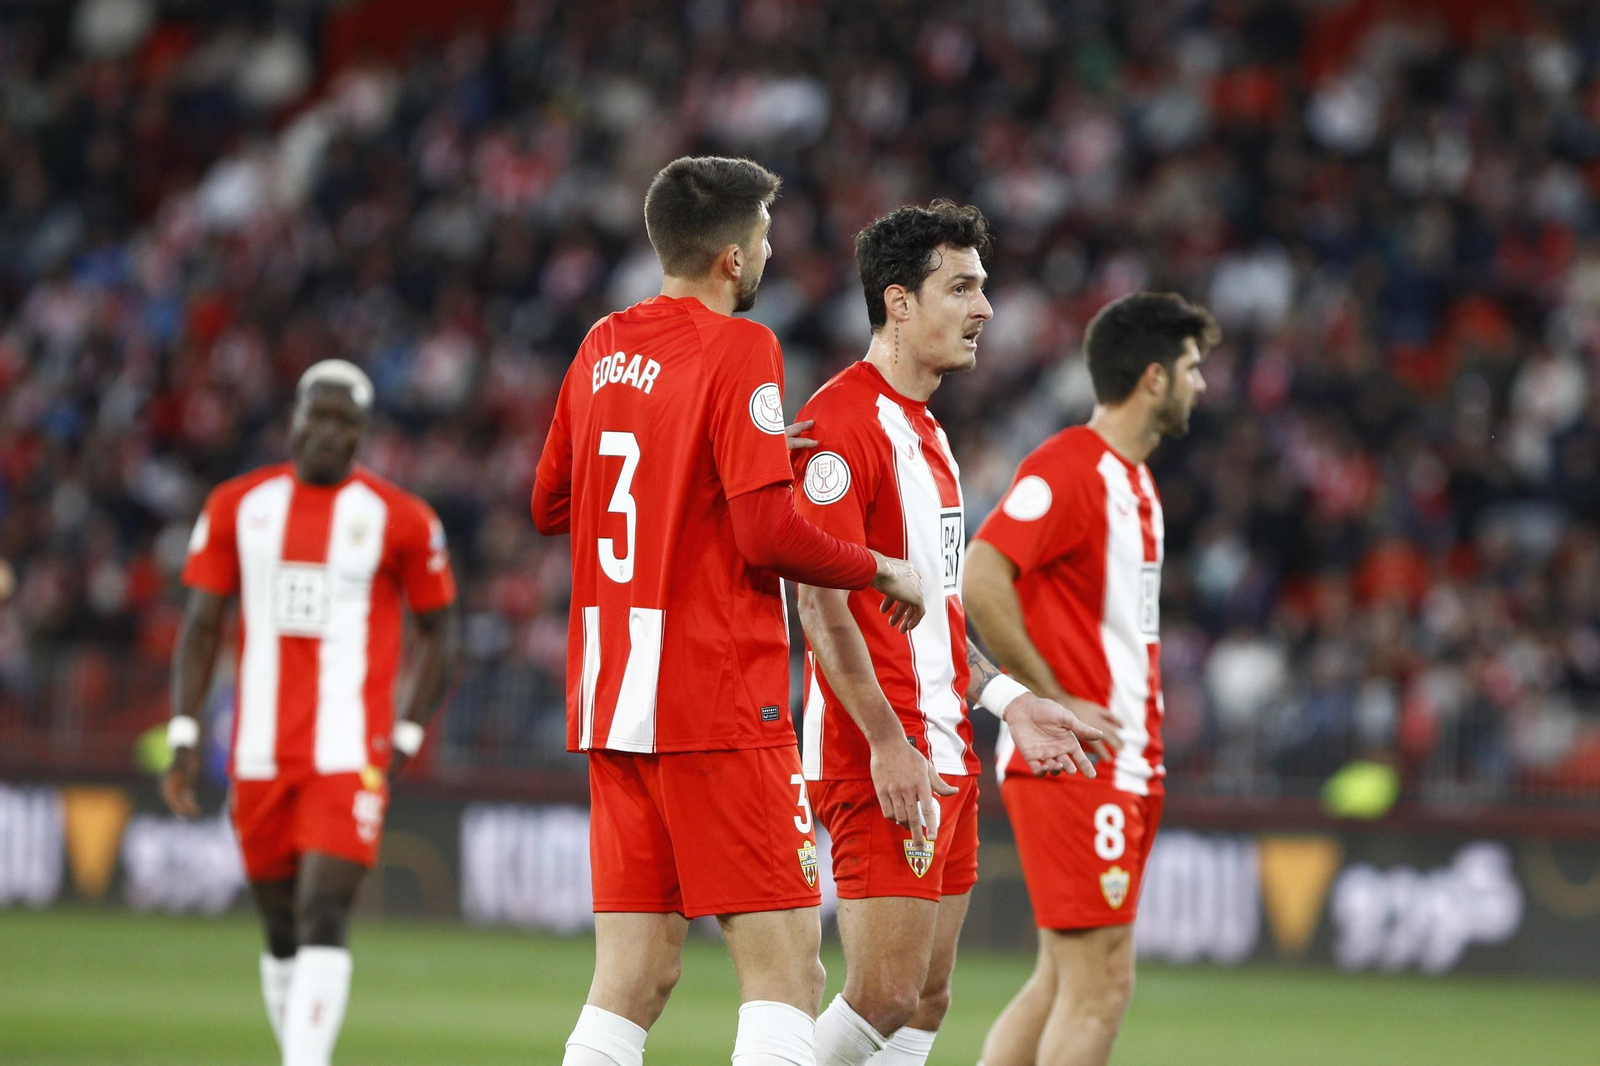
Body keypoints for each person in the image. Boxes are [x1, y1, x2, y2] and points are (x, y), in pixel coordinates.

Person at [531, 156, 927, 1066]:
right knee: (788, 973)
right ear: (732, 260)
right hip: (713, 697)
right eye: (765, 236)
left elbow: (551, 504)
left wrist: (714, 459)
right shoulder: (744, 348)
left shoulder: (599, 344)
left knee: (632, 981)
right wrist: (879, 568)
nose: (770, 249)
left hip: (611, 698)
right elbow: (765, 537)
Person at [790, 201, 1103, 1066]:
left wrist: (1010, 700)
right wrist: (887, 741)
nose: (985, 310)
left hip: (946, 744)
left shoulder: (926, 432)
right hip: (880, 747)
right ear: (898, 303)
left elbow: (934, 623)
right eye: (961, 287)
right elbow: (819, 605)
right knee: (882, 992)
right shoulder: (838, 427)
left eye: (984, 288)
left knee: (925, 1000)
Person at [163, 359, 461, 1066]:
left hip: (348, 753)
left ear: (362, 434)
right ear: (294, 417)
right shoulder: (239, 507)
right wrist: (183, 731)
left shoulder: (401, 519)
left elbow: (442, 630)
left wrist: (408, 729)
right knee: (279, 928)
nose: (330, 433)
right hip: (258, 751)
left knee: (323, 908)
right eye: (319, 416)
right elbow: (202, 627)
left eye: (346, 423)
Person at [967, 292, 1218, 1066]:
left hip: (1124, 764)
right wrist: (1044, 695)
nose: (1201, 385)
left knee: (1061, 980)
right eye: (1191, 368)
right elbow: (981, 574)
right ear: (1152, 379)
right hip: (1081, 765)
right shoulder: (1072, 467)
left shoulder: (1135, 483)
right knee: (1100, 986)